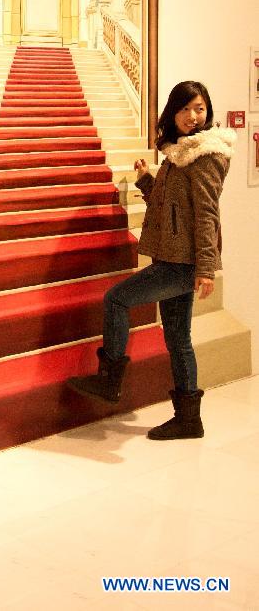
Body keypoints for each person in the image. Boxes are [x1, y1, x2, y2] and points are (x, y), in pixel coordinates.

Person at [68, 81, 236, 440]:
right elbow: (171, 209)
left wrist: (207, 269)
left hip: (181, 264)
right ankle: (189, 419)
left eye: (200, 109)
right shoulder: (179, 155)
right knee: (178, 339)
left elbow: (206, 214)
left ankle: (109, 380)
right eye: (186, 109)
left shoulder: (204, 157)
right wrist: (147, 181)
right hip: (175, 258)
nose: (193, 116)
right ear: (173, 113)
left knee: (116, 299)